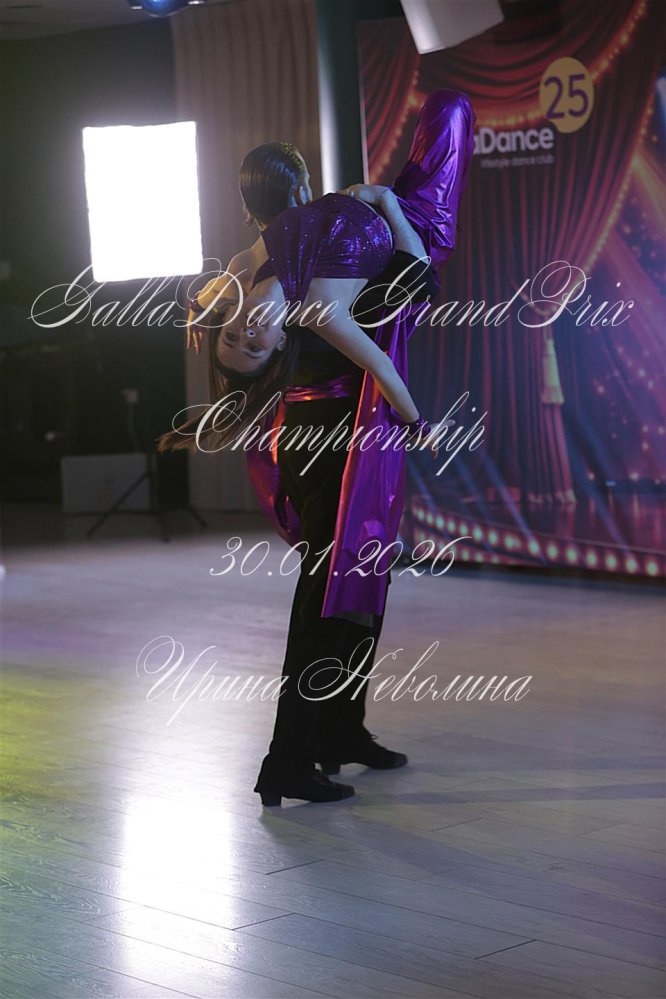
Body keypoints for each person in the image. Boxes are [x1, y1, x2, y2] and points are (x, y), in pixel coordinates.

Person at [161, 90, 475, 806]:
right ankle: (288, 759)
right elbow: (404, 298)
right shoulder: (306, 293)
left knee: (364, 586)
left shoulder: (260, 263)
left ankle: (341, 730)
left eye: (238, 332)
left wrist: (203, 312)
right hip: (330, 440)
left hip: (346, 433)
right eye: (246, 342)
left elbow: (215, 294)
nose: (246, 330)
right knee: (327, 598)